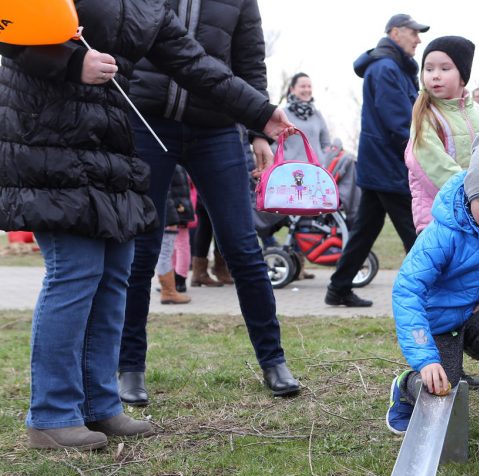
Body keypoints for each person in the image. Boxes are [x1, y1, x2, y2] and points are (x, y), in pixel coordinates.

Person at [0, 0, 292, 450]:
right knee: (75, 271)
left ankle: (100, 405)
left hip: (109, 139)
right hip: (48, 136)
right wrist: (72, 60)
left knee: (116, 270)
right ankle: (51, 413)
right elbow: (10, 29)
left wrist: (260, 112)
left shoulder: (148, 8)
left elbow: (194, 63)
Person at [119, 0, 302, 406]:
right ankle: (129, 367)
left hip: (217, 127)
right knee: (142, 245)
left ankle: (273, 360)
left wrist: (259, 131)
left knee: (241, 244)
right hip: (148, 120)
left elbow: (250, 63)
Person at [387, 127, 479, 458]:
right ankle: (407, 387)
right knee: (445, 383)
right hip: (438, 320)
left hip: (473, 313)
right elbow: (408, 288)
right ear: (470, 193)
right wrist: (425, 358)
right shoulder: (443, 233)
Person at [325, 14, 430, 307]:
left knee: (365, 230)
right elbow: (398, 122)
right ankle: (434, 291)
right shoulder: (386, 68)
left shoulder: (392, 67)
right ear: (395, 33)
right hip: (388, 165)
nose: (418, 39)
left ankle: (338, 288)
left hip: (379, 164)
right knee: (415, 228)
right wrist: (420, 154)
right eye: (413, 33)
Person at [406, 36, 479, 233]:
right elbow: (434, 165)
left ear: (462, 76)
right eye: (429, 68)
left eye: (444, 68)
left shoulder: (477, 111)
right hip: (437, 215)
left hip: (475, 211)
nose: (435, 75)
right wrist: (470, 197)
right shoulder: (426, 115)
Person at [157, 166, 195, 305]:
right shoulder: (176, 164)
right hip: (175, 212)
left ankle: (171, 286)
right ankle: (169, 290)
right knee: (167, 250)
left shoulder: (173, 164)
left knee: (169, 249)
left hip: (175, 212)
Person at [281, 72, 333, 166]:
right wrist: (285, 159)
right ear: (292, 89)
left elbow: (326, 144)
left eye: (309, 86)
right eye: (303, 86)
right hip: (290, 170)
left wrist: (322, 159)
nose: (307, 89)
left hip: (315, 171)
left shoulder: (317, 115)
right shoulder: (283, 114)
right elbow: (273, 142)